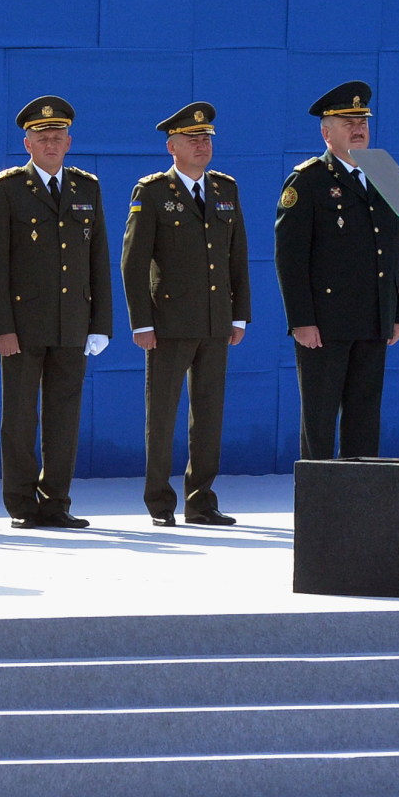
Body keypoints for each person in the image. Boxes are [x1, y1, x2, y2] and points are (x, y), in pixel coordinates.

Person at [0, 96, 112, 530]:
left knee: (64, 418)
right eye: (42, 137)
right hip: (23, 325)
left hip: (72, 322)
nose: (51, 144)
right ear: (27, 143)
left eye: (58, 137)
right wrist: (1, 327)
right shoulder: (8, 187)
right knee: (19, 417)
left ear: (69, 142)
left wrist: (101, 324)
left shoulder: (86, 187)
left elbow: (98, 258)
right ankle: (21, 502)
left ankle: (57, 501)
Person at [121, 101, 250, 527]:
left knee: (209, 413)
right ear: (171, 146)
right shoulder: (153, 191)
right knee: (161, 415)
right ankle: (160, 502)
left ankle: (201, 499)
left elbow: (237, 257)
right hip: (168, 323)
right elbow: (133, 262)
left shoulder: (224, 189)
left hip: (215, 320)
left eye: (206, 138)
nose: (202, 145)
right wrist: (141, 321)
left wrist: (239, 315)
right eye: (192, 139)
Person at [274, 80, 399, 460]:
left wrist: (396, 312)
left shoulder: (384, 175)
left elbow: (397, 250)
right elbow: (290, 257)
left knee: (365, 417)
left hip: (372, 317)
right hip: (326, 322)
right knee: (319, 417)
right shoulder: (309, 180)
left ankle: (361, 503)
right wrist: (301, 319)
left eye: (362, 119)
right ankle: (319, 508)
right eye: (347, 121)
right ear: (326, 131)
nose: (358, 127)